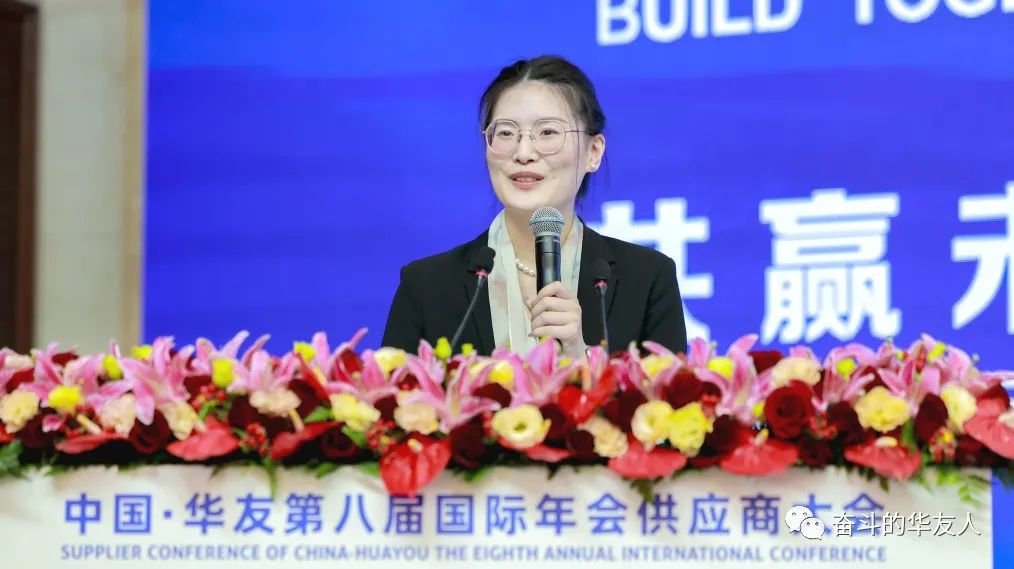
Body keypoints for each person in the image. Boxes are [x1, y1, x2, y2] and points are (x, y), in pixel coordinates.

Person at [382, 55, 687, 358]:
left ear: (593, 152)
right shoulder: (425, 286)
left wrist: (578, 356)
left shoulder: (647, 279)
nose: (523, 152)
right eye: (506, 133)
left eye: (548, 132)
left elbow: (667, 391)